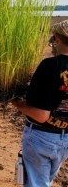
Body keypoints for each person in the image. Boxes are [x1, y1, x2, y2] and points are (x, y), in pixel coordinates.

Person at [12, 20, 68, 187]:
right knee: (45, 181)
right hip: (65, 140)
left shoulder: (50, 66)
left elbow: (41, 115)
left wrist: (16, 102)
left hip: (43, 138)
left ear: (56, 39)